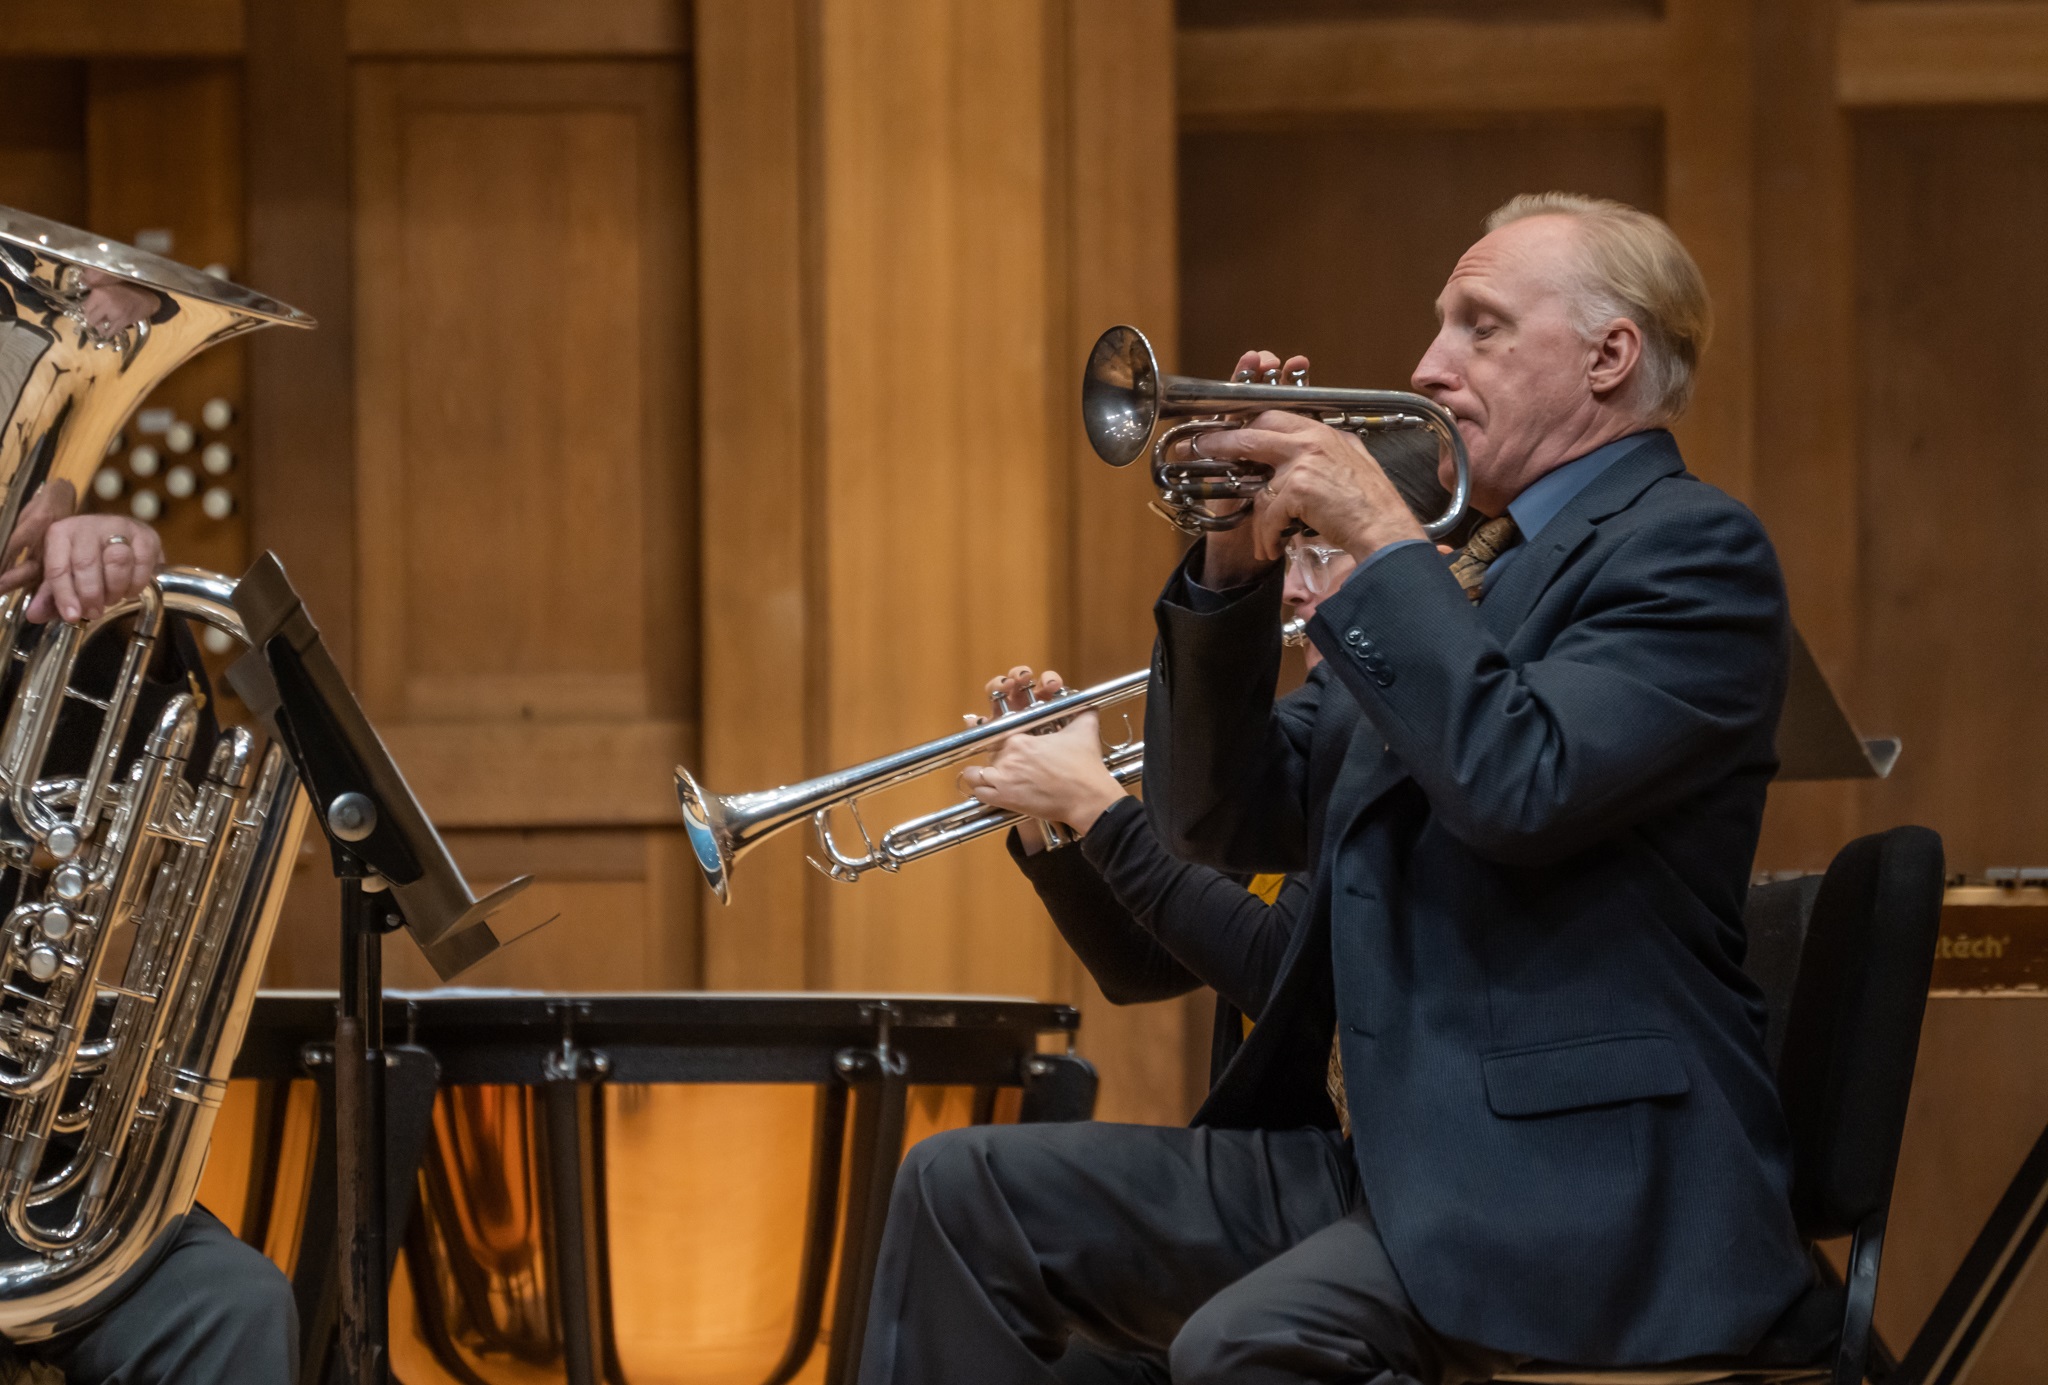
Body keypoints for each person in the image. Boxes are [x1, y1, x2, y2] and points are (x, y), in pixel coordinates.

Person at [859, 192, 1813, 1385]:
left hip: (1569, 1189)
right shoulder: (1462, 572)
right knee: (961, 1190)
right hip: (1385, 1164)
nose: (1427, 365)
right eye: (1437, 324)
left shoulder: (1687, 553)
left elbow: (1518, 785)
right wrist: (1229, 556)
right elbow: (1223, 814)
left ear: (1608, 356)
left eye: (1478, 325)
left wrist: (1377, 533)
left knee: (1234, 1347)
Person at [0, 484, 298, 1384]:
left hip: (25, 1158)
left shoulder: (38, 623)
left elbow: (173, 816)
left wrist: (112, 610)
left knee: (230, 1305)